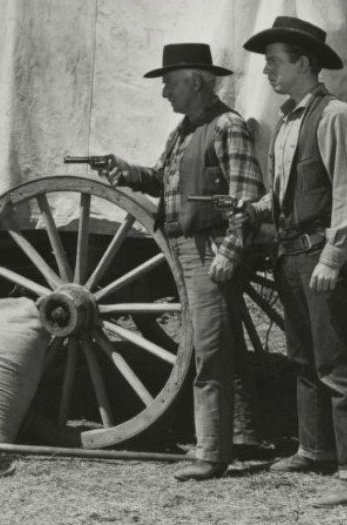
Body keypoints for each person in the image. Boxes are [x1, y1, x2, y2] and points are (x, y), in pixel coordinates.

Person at [94, 43, 266, 481]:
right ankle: (239, 434)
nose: (164, 92)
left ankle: (210, 452)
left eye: (170, 83)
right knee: (219, 344)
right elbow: (161, 180)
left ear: (195, 81)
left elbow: (246, 197)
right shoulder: (186, 131)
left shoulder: (227, 127)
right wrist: (126, 171)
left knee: (207, 350)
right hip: (188, 249)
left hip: (208, 250)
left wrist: (229, 252)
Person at [233, 16, 347, 507]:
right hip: (290, 255)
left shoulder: (334, 114)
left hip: (319, 255)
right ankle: (315, 450)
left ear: (304, 63)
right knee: (304, 360)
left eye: (274, 61)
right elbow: (282, 193)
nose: (267, 71)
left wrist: (334, 257)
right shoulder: (288, 119)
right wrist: (253, 210)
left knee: (337, 364)